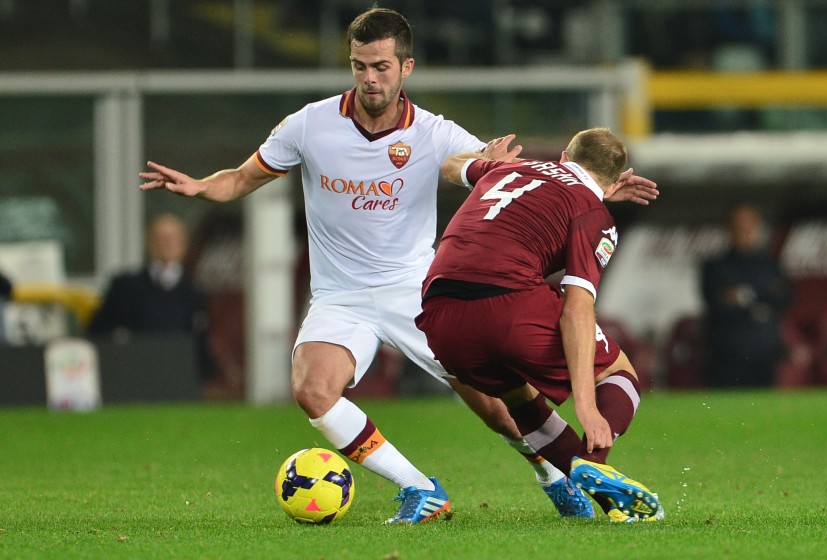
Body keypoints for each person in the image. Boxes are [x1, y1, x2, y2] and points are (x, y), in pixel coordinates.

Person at [139, 8, 658, 524]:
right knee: (312, 390)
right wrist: (203, 186)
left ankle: (550, 475)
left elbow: (490, 170)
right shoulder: (308, 125)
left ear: (405, 68)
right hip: (340, 295)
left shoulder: (434, 133)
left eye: (381, 67)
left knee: (499, 405)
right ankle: (419, 487)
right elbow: (242, 178)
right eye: (360, 66)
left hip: (417, 289)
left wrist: (592, 184)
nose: (370, 78)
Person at [416, 128, 663, 522]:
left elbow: (450, 165)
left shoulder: (508, 170)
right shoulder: (592, 212)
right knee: (619, 372)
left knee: (518, 396)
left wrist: (488, 155)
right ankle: (594, 459)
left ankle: (610, 503)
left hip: (438, 316)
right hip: (507, 306)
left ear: (564, 154)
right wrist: (586, 405)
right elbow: (577, 308)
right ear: (616, 181)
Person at [88, 213, 214, 383]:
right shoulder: (125, 287)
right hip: (131, 378)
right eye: (161, 238)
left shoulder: (195, 293)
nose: (168, 243)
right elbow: (97, 330)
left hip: (177, 381)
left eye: (173, 238)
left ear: (184, 244)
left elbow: (200, 346)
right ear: (149, 242)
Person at [700, 204, 792, 387]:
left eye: (748, 226)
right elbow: (715, 304)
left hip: (764, 352)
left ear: (757, 228)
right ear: (729, 228)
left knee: (765, 411)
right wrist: (763, 299)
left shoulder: (770, 264)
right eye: (738, 226)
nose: (743, 231)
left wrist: (745, 296)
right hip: (727, 353)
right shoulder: (716, 266)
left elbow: (785, 297)